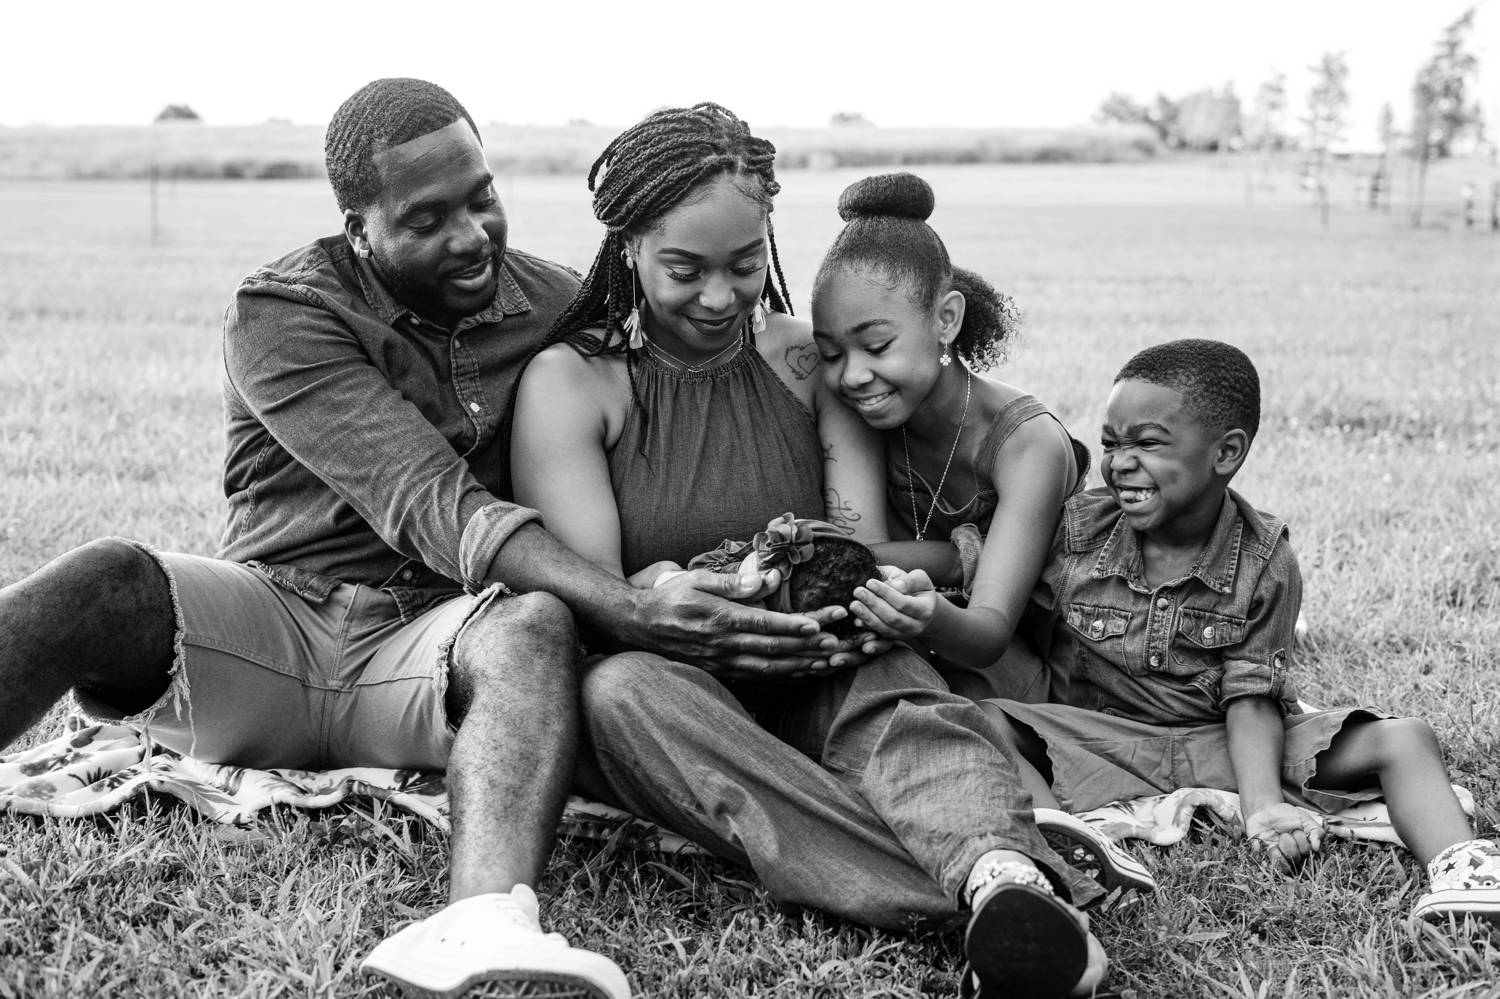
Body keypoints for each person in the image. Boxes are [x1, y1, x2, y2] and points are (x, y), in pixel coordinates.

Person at [0, 79, 854, 999]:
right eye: (427, 217)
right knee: (102, 580)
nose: (471, 234)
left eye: (482, 196)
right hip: (276, 625)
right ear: (357, 224)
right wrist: (632, 606)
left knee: (533, 620)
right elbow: (427, 499)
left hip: (440, 647)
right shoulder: (283, 312)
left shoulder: (558, 304)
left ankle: (481, 924)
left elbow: (686, 401)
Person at [512, 103, 1130, 999]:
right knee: (615, 695)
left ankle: (1001, 873)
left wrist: (837, 586)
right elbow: (604, 596)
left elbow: (858, 540)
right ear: (629, 247)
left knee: (896, 695)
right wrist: (682, 585)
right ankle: (1007, 882)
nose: (721, 297)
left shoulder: (808, 361)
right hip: (674, 674)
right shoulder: (574, 382)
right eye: (685, 269)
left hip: (817, 649)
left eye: (745, 263)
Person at [976, 338, 1500, 923]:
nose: (1120, 461)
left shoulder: (1264, 560)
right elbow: (985, 564)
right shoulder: (1078, 530)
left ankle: (1463, 870)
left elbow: (1252, 697)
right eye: (1111, 443)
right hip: (1107, 742)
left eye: (1146, 443)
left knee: (1401, 737)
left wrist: (1264, 807)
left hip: (1226, 743)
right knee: (981, 720)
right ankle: (1067, 846)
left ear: (1225, 453)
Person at [808, 172, 1091, 704]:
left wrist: (930, 610)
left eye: (876, 344)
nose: (851, 375)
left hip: (1025, 670)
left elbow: (987, 632)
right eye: (830, 353)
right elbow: (860, 551)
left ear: (946, 319)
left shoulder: (1025, 445)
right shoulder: (872, 409)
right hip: (912, 643)